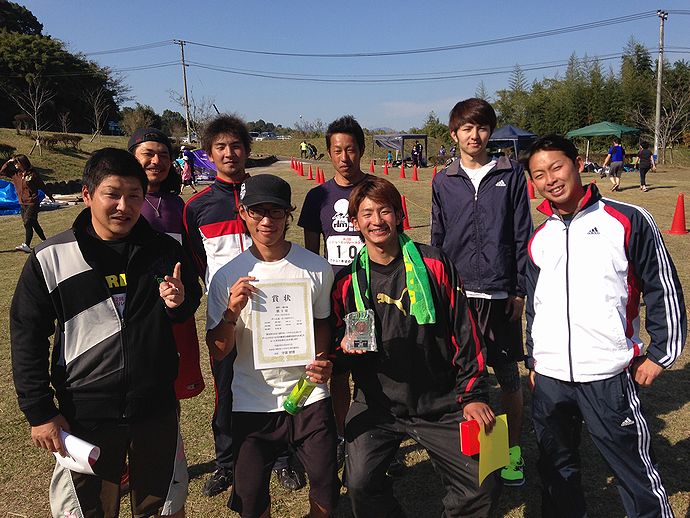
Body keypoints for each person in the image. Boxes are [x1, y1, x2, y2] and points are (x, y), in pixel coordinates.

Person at [10, 148, 202, 518]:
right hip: (84, 412)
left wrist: (179, 302)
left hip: (155, 405)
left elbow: (186, 305)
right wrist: (39, 411)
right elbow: (27, 336)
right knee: (87, 510)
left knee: (162, 507)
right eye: (112, 194)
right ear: (87, 194)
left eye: (134, 195)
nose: (123, 206)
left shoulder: (164, 250)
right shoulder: (51, 257)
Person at [525, 134, 686, 518]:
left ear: (578, 164)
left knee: (632, 469)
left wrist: (661, 355)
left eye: (556, 167)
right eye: (539, 174)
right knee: (556, 470)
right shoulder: (540, 237)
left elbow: (662, 288)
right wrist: (534, 360)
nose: (550, 179)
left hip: (607, 373)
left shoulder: (627, 220)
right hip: (550, 378)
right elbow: (535, 305)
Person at [332, 176, 500, 517]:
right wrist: (342, 347)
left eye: (384, 211)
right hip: (376, 404)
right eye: (367, 214)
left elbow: (466, 332)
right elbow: (336, 351)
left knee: (484, 482)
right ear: (355, 222)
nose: (377, 221)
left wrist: (474, 395)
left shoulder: (435, 264)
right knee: (360, 484)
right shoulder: (347, 282)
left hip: (441, 401)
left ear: (399, 215)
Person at [206, 174, 338, 518]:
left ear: (288, 214)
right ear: (243, 213)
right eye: (257, 211)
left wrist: (320, 358)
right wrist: (231, 312)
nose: (267, 221)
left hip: (308, 395)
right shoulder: (226, 277)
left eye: (276, 212)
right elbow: (218, 350)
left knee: (325, 486)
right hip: (252, 400)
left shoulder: (316, 268)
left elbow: (323, 321)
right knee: (250, 499)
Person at [183, 115, 302, 496]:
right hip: (227, 311)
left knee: (276, 384)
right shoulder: (196, 207)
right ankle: (225, 463)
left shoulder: (265, 195)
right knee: (225, 390)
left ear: (247, 151)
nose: (229, 153)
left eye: (236, 146)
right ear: (208, 154)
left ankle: (282, 458)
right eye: (220, 147)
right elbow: (197, 261)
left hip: (272, 311)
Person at [431, 98, 532, 487]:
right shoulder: (443, 180)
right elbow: (438, 237)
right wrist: (438, 287)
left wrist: (519, 289)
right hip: (457, 295)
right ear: (454, 133)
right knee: (458, 377)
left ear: (491, 132)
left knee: (507, 376)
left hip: (499, 293)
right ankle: (469, 451)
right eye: (467, 128)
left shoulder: (510, 172)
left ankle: (511, 451)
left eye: (482, 128)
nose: (475, 135)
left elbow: (521, 233)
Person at [298, 115, 370, 470]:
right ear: (328, 152)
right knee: (338, 372)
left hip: (366, 299)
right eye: (337, 150)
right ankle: (342, 436)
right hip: (333, 300)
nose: (344, 157)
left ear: (361, 150)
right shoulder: (318, 196)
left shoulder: (375, 190)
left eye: (351, 149)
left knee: (369, 371)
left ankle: (373, 438)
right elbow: (311, 255)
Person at [129, 127, 204, 401]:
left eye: (163, 155)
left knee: (175, 386)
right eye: (148, 154)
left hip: (176, 305)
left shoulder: (178, 204)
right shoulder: (122, 203)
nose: (156, 161)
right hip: (137, 307)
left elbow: (190, 257)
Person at [1, 154, 55, 252]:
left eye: (17, 162)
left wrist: (49, 195)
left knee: (27, 221)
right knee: (33, 223)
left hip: (32, 202)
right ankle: (45, 241)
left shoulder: (32, 174)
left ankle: (26, 245)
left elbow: (41, 184)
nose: (15, 164)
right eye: (15, 162)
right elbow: (2, 172)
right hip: (22, 203)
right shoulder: (15, 174)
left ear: (22, 163)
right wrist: (8, 162)